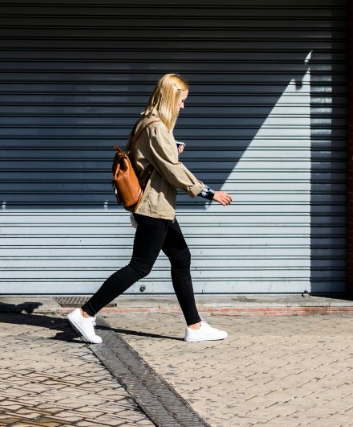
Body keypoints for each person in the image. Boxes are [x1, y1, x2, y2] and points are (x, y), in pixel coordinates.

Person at [67, 73, 234, 344]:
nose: (183, 106)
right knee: (140, 266)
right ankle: (86, 314)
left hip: (159, 207)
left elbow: (156, 162)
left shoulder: (146, 124)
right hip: (153, 208)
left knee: (181, 258)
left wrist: (172, 152)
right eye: (182, 101)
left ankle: (194, 326)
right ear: (170, 98)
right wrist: (208, 192)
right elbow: (172, 170)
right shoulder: (156, 128)